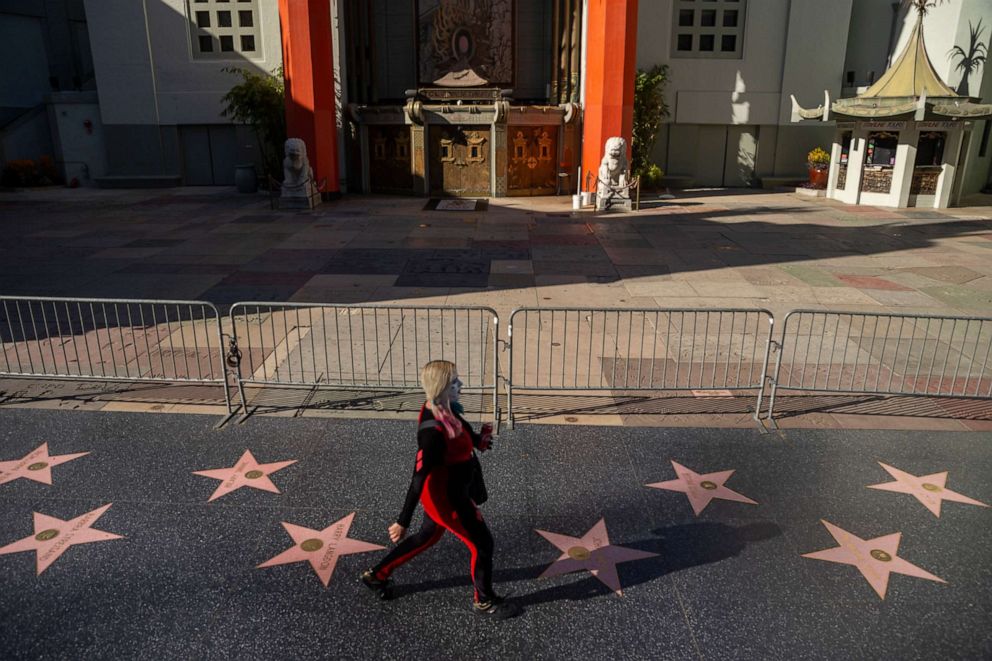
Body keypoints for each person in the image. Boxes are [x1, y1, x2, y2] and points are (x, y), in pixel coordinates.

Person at [360, 360, 521, 619]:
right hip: (447, 499)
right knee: (482, 544)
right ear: (441, 387)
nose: (461, 384)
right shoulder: (432, 431)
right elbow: (418, 477)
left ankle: (376, 575)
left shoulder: (444, 408)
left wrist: (478, 440)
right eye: (454, 381)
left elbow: (460, 425)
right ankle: (484, 600)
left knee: (428, 536)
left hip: (452, 489)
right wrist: (402, 521)